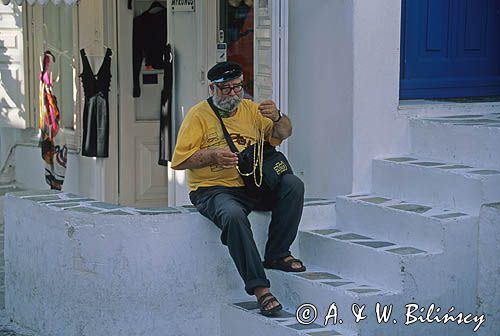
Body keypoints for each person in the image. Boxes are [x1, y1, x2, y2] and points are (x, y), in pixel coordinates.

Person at [171, 61, 306, 316]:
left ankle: (278, 253)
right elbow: (179, 161)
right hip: (213, 189)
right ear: (212, 88)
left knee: (293, 184)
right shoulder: (198, 116)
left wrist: (278, 116)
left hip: (252, 183)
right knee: (233, 215)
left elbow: (284, 132)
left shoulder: (251, 110)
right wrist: (211, 156)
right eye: (226, 89)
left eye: (237, 87)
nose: (233, 94)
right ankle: (260, 290)